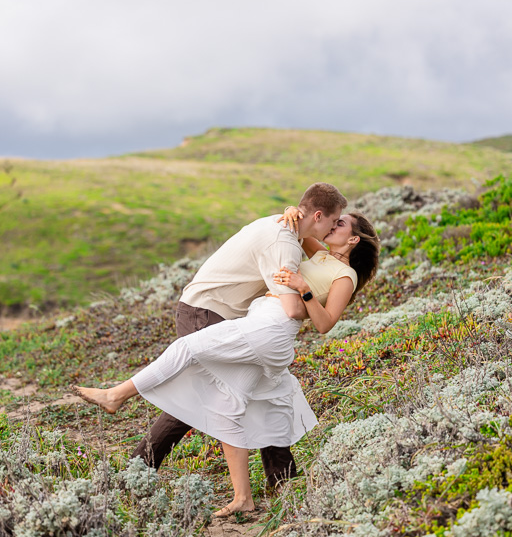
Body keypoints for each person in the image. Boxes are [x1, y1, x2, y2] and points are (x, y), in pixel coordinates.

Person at [74, 209, 380, 516]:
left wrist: (304, 289)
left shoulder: (346, 276)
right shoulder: (322, 255)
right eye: (334, 219)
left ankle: (116, 395)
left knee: (186, 349)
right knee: (228, 406)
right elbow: (305, 230)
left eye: (340, 223)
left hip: (270, 327)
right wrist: (291, 212)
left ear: (353, 239)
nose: (333, 224)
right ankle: (244, 498)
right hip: (263, 322)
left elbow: (325, 324)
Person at [130, 182, 347, 488]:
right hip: (206, 313)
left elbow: (321, 255)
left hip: (216, 312)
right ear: (319, 215)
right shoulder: (284, 242)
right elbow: (292, 309)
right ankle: (139, 469)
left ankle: (281, 478)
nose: (333, 229)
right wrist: (308, 296)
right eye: (334, 221)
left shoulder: (287, 229)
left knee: (264, 387)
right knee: (208, 394)